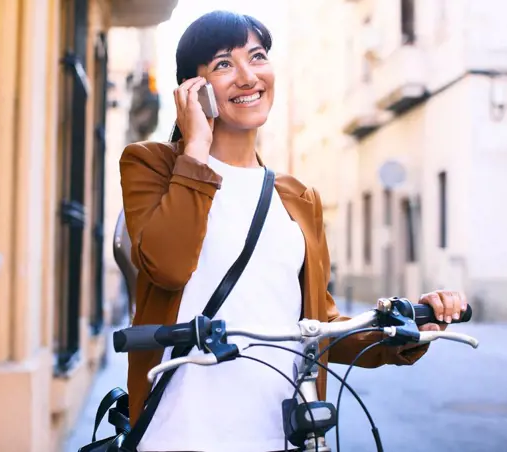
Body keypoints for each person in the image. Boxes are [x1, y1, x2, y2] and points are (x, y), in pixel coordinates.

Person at [119, 10, 468, 452]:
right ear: (193, 89)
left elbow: (318, 323)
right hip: (178, 432)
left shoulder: (298, 197)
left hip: (280, 434)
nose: (247, 77)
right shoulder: (152, 164)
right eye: (224, 64)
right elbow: (167, 267)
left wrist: (408, 327)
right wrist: (196, 149)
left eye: (257, 57)